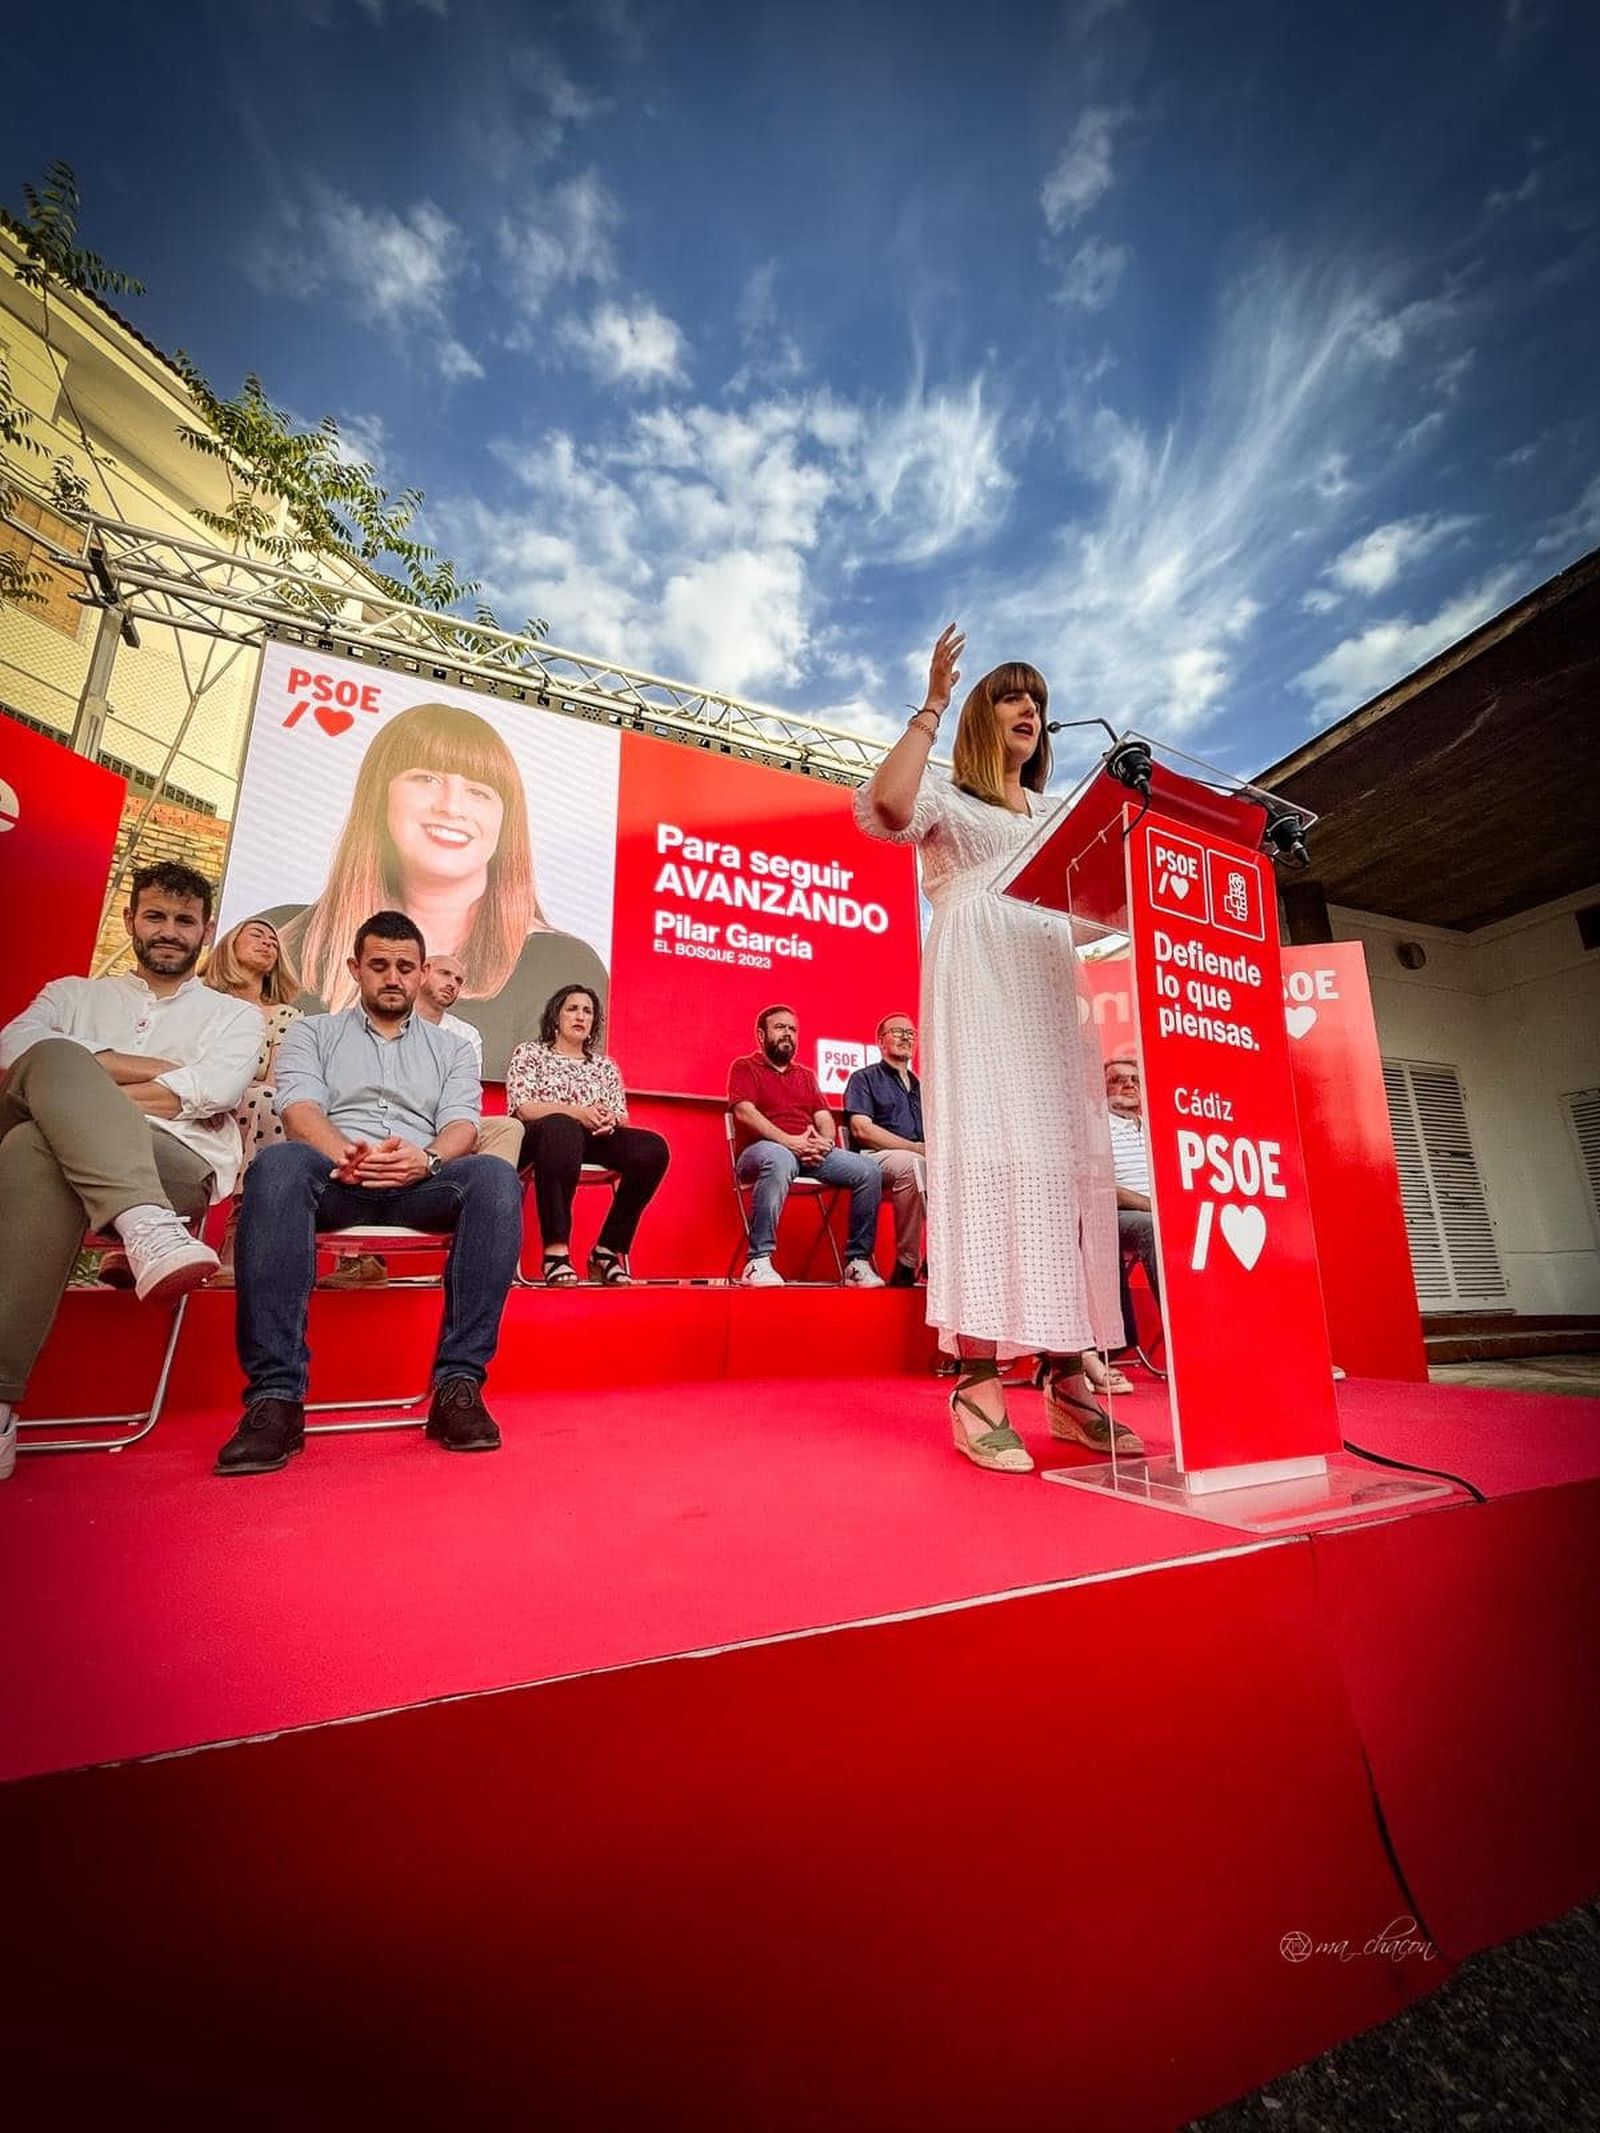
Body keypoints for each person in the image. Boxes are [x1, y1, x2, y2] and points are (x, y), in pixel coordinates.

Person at [853, 626, 1138, 1473]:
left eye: (1040, 701)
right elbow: (890, 809)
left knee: (1059, 1175)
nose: (1032, 709)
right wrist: (933, 705)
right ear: (984, 713)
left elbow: (1094, 912)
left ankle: (1064, 1375)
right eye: (1014, 694)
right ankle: (975, 1381)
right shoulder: (948, 795)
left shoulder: (1055, 813)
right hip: (977, 988)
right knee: (988, 1168)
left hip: (1050, 995)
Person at [214, 909, 523, 1476]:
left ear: (422, 971)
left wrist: (425, 1159)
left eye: (405, 967)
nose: (393, 977)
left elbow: (462, 1124)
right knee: (279, 1165)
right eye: (379, 965)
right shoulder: (313, 1031)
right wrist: (345, 1156)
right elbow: (298, 1106)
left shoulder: (452, 1049)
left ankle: (459, 1387)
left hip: (418, 1180)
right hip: (335, 1176)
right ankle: (276, 1398)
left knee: (495, 1178)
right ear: (356, 968)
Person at [0, 862, 260, 1480]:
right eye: (156, 916)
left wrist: (76, 1088)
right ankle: (145, 1226)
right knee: (41, 1122)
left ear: (205, 932)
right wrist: (156, 1069)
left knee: (46, 1117)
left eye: (184, 921)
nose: (169, 931)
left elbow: (215, 1088)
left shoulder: (235, 1016)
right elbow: (14, 1053)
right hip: (73, 1166)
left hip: (174, 1161)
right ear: (130, 920)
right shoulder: (72, 994)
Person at [257, 699, 608, 1080]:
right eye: (426, 779)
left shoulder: (562, 963)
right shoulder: (282, 937)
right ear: (380, 796)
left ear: (506, 820)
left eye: (479, 791)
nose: (451, 807)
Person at [505, 984, 670, 1285]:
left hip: (594, 1138)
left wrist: (609, 1119)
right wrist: (578, 1113)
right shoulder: (530, 1053)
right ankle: (556, 1251)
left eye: (588, 1011)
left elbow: (622, 1115)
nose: (580, 1016)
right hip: (542, 1137)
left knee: (653, 1149)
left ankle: (606, 1251)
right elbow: (524, 1107)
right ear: (556, 1017)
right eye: (572, 1009)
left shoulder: (605, 1066)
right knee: (562, 1126)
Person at [728, 1006, 884, 1288]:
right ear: (761, 1035)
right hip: (760, 1152)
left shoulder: (805, 1075)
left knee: (869, 1169)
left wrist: (823, 1144)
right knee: (779, 1158)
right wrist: (789, 1142)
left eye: (792, 1029)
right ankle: (758, 1261)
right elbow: (744, 1112)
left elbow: (823, 1117)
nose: (787, 1033)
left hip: (808, 1153)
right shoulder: (745, 1067)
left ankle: (857, 1263)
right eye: (780, 1027)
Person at [201, 918, 304, 1287]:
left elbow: (276, 1081)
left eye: (274, 940)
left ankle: (239, 1230)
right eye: (256, 934)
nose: (267, 942)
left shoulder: (284, 1017)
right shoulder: (197, 1002)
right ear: (229, 945)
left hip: (246, 1108)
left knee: (269, 1100)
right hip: (192, 1097)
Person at [417, 954, 525, 1167]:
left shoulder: (466, 1034)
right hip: (400, 1115)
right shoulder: (392, 1019)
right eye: (445, 974)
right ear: (422, 973)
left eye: (458, 980)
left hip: (448, 1123)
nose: (452, 984)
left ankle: (488, 1193)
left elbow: (465, 1094)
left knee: (509, 1128)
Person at [843, 1015, 926, 1286]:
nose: (906, 1037)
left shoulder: (922, 1088)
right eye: (898, 1032)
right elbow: (862, 1130)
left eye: (911, 1033)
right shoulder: (863, 1078)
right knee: (914, 1165)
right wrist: (915, 1147)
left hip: (919, 1159)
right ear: (880, 1041)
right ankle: (907, 1263)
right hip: (873, 1159)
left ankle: (940, 1261)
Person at [1105, 1054, 1161, 1375]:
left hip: (1165, 1214)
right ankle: (1187, 1338)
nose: (1128, 1084)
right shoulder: (1098, 1127)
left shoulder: (1156, 1128)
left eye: (1134, 1079)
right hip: (1119, 1217)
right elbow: (1103, 1190)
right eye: (1118, 1079)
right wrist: (1153, 1206)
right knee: (1150, 1226)